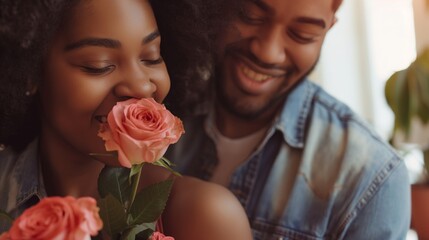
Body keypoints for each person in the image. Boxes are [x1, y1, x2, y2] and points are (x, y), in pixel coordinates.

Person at [0, 0, 253, 239]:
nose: (142, 86)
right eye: (98, 65)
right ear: (31, 71)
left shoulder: (205, 218)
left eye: (152, 57)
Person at [164, 0, 412, 239]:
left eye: (302, 34)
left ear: (329, 29)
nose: (267, 52)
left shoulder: (368, 179)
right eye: (250, 15)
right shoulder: (158, 110)